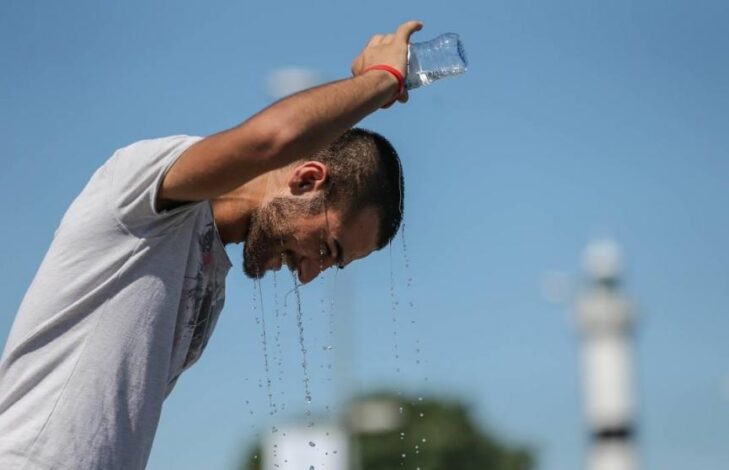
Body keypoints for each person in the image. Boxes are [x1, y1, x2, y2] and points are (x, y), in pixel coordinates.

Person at [0, 20, 423, 470]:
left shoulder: (210, 283)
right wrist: (381, 80)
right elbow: (271, 140)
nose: (307, 274)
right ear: (306, 180)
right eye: (326, 248)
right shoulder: (145, 191)